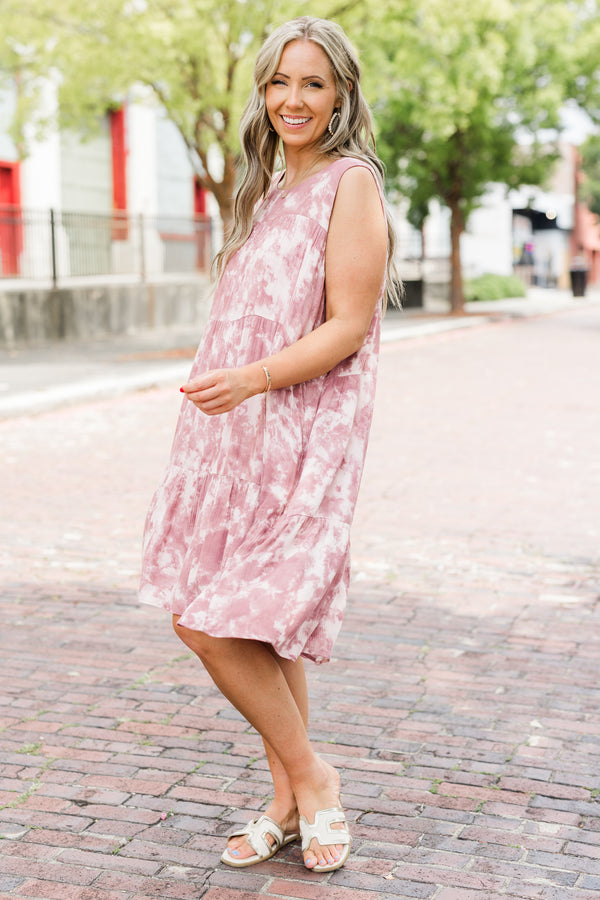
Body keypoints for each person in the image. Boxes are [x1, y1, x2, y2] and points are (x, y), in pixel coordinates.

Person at [139, 15, 400, 873]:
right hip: (235, 439)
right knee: (257, 630)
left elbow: (349, 325)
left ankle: (314, 778)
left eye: (313, 83)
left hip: (301, 436)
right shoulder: (273, 190)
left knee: (209, 621)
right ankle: (288, 800)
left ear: (341, 95)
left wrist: (252, 380)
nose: (294, 98)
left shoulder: (349, 184)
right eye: (280, 81)